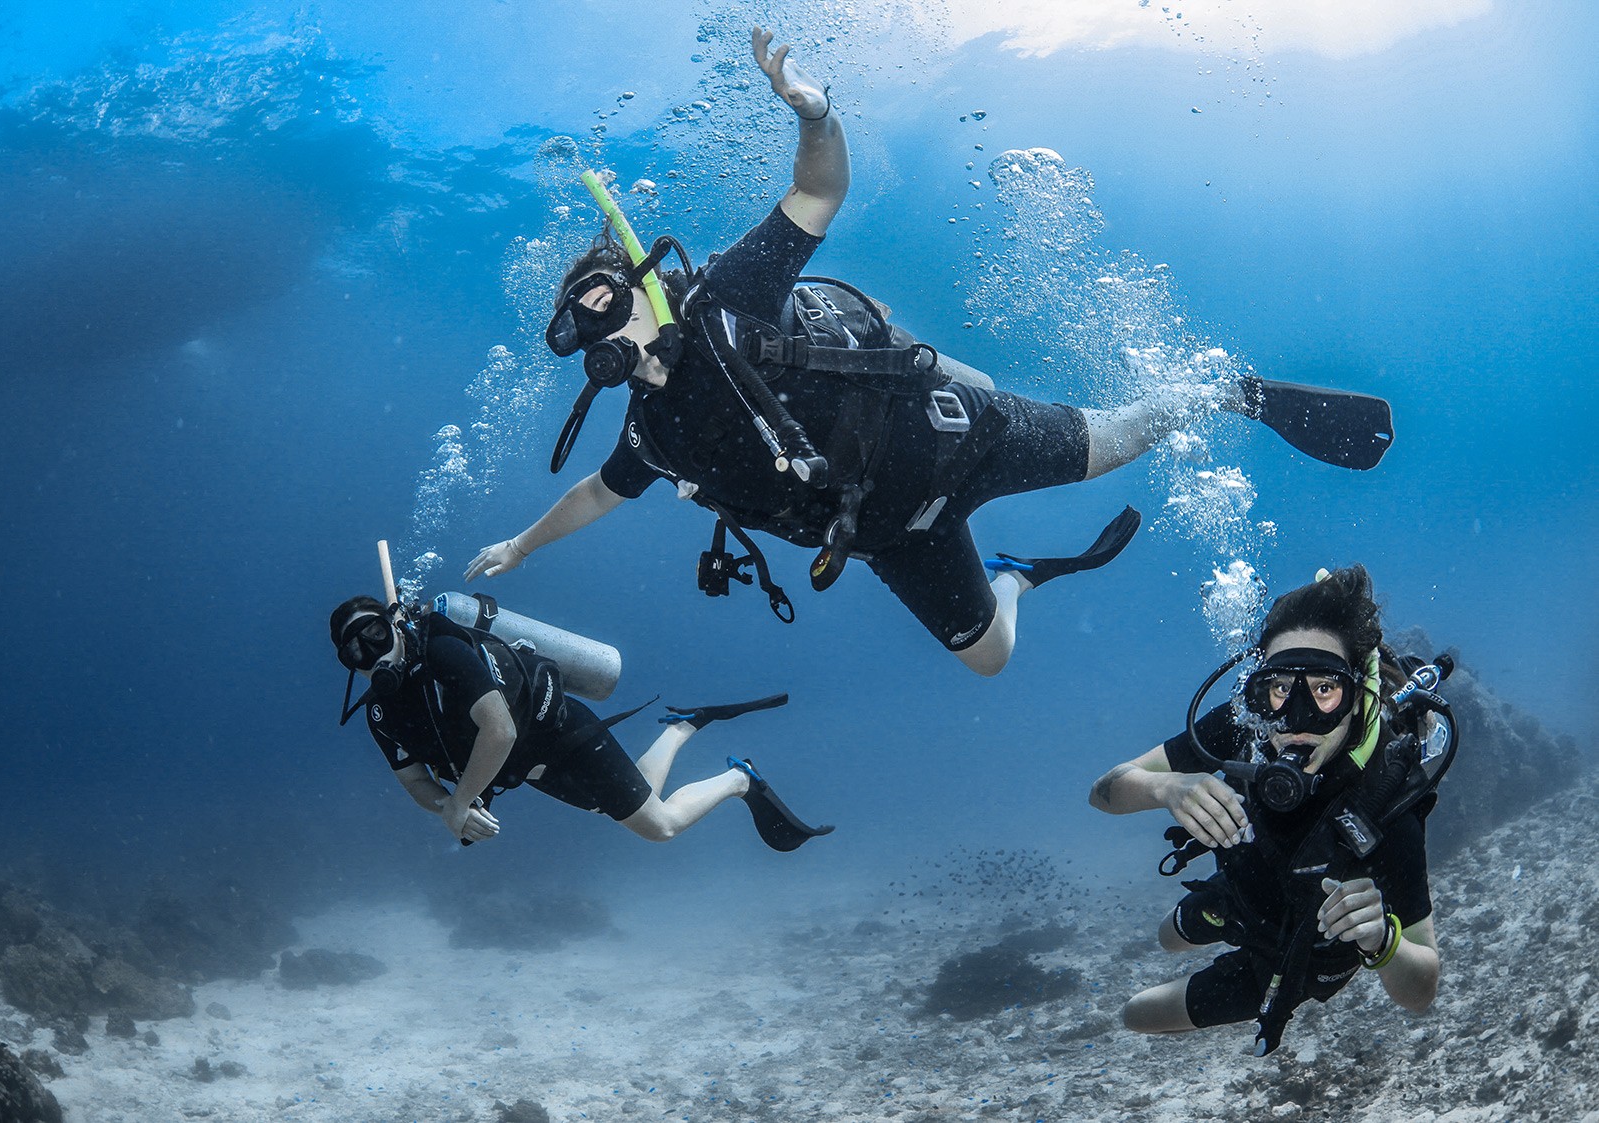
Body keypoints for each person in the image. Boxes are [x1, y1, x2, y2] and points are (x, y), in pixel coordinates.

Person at [466, 26, 1395, 677]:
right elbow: (595, 491)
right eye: (576, 328)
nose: (598, 329)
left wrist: (814, 116)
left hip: (962, 436)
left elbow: (819, 194)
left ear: (647, 280)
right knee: (989, 660)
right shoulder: (654, 432)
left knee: (1113, 442)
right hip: (891, 535)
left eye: (603, 299)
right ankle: (1019, 574)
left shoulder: (729, 300)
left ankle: (1222, 393)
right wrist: (518, 542)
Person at [1087, 565, 1445, 1055]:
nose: (1295, 722)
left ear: (1356, 693)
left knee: (1137, 1014)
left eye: (1324, 689)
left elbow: (1421, 989)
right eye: (1280, 688)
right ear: (1259, 688)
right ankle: (1215, 910)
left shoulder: (1384, 789)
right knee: (1169, 936)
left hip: (1304, 953)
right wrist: (1164, 788)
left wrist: (1382, 940)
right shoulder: (1247, 724)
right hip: (1240, 892)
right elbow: (1104, 791)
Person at [330, 595, 832, 851]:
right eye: (354, 650)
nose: (370, 653)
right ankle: (683, 726)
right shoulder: (381, 709)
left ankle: (740, 778)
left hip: (560, 732)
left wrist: (461, 801)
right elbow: (414, 780)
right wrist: (446, 807)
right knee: (632, 802)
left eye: (374, 633)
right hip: (529, 767)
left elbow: (499, 731)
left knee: (659, 827)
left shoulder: (442, 651)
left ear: (395, 623)